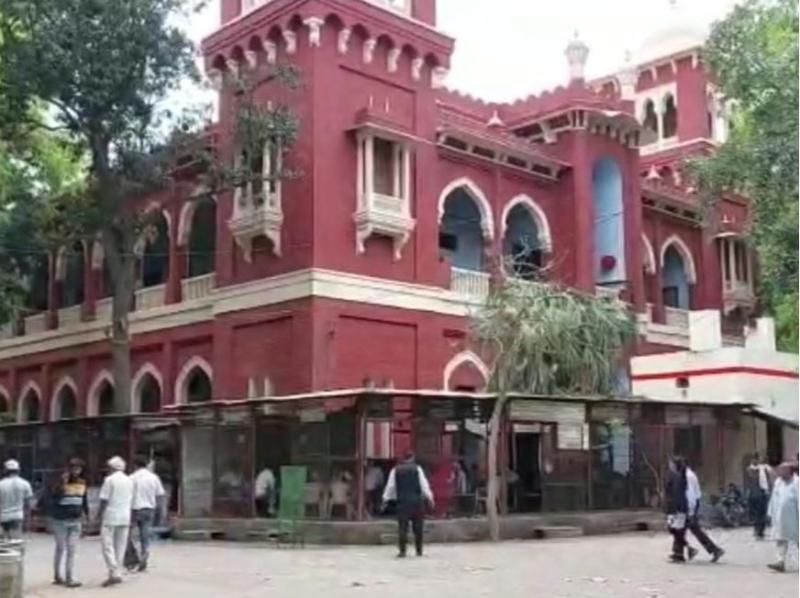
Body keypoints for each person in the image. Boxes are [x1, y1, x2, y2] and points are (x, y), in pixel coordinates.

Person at [382, 453, 435, 558]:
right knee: (418, 528)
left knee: (402, 528)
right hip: (416, 502)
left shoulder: (395, 470)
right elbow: (424, 485)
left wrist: (385, 499)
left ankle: (402, 551)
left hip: (402, 502)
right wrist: (430, 498)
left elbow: (390, 487)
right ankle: (419, 550)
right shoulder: (417, 469)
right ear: (412, 458)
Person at [48, 458, 88, 588]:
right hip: (60, 520)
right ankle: (57, 575)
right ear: (69, 469)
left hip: (76, 520)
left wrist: (86, 516)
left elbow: (84, 500)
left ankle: (69, 577)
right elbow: (53, 498)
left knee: (72, 549)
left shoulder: (82, 483)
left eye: (79, 468)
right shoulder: (59, 482)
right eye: (74, 468)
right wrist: (62, 484)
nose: (76, 471)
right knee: (60, 548)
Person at [97, 456, 133, 587]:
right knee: (120, 546)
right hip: (125, 516)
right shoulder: (129, 480)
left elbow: (104, 499)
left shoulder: (109, 480)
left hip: (111, 515)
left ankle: (114, 570)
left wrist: (98, 515)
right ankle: (117, 573)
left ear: (111, 468)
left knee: (107, 545)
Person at [129, 455, 166, 572]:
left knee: (132, 535)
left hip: (134, 509)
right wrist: (162, 510)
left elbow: (128, 495)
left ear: (135, 465)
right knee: (145, 534)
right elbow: (160, 495)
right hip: (149, 509)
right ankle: (145, 552)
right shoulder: (154, 477)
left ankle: (136, 557)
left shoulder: (132, 478)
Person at [684, 462, 724, 562]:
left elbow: (690, 494)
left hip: (689, 507)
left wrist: (690, 509)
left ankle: (711, 549)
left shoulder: (688, 476)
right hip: (692, 505)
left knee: (678, 530)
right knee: (693, 530)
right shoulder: (691, 475)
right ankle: (713, 550)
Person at [766, 462, 799, 573]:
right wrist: (771, 512)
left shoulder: (797, 482)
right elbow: (774, 498)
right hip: (780, 517)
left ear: (790, 471)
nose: (780, 472)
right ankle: (780, 562)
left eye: (783, 470)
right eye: (780, 470)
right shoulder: (778, 482)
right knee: (780, 539)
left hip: (795, 517)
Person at [0, 459, 33, 540]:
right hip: (17, 515)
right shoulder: (25, 483)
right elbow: (28, 504)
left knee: (5, 541)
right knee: (16, 541)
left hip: (3, 516)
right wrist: (28, 520)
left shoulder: (1, 484)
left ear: (5, 471)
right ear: (18, 470)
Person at [664, 456, 689, 563]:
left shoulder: (677, 477)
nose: (669, 465)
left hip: (677, 507)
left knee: (675, 529)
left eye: (670, 463)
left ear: (674, 465)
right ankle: (680, 552)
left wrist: (676, 507)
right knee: (676, 529)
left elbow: (676, 493)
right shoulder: (678, 476)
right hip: (677, 506)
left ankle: (683, 550)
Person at [745, 454, 771, 540]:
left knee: (763, 512)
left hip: (764, 492)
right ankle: (758, 531)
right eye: (755, 459)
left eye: (759, 459)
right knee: (757, 513)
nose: (758, 461)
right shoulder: (750, 469)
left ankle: (761, 531)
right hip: (755, 494)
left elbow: (768, 479)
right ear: (752, 460)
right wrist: (760, 470)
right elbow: (752, 480)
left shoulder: (764, 468)